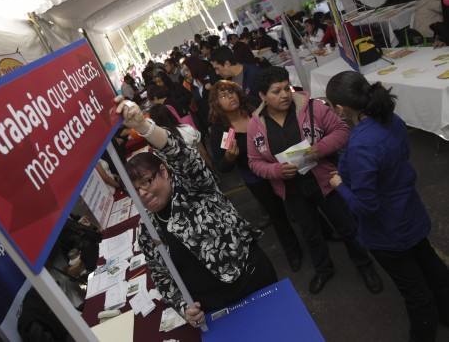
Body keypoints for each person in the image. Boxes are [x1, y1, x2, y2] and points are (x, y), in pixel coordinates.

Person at [115, 96, 278, 327]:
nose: (143, 193)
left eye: (147, 181)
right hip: (214, 309)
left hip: (252, 280)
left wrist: (143, 127)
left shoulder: (195, 187)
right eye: (134, 190)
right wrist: (183, 307)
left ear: (164, 172)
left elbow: (181, 155)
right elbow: (162, 277)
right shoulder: (146, 230)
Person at [326, 71, 449, 342]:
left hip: (387, 230)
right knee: (433, 268)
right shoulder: (391, 120)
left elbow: (365, 205)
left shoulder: (362, 145)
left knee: (416, 294)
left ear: (341, 108)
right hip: (409, 212)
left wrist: (339, 185)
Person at [247, 66, 383, 295]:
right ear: (262, 96)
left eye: (286, 88)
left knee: (347, 228)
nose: (284, 95)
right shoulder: (255, 125)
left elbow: (342, 130)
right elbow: (253, 162)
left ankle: (365, 267)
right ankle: (323, 269)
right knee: (311, 234)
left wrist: (320, 149)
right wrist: (277, 171)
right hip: (292, 191)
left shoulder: (312, 108)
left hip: (325, 182)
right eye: (276, 91)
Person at [208, 80, 303, 271]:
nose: (230, 97)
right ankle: (293, 252)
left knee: (300, 201)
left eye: (232, 92)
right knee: (277, 214)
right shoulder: (221, 131)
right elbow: (221, 167)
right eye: (223, 96)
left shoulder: (255, 110)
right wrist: (228, 158)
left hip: (279, 165)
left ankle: (322, 231)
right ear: (217, 104)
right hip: (256, 178)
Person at [149, 103, 217, 181]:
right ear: (170, 114)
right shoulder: (187, 129)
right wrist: (213, 173)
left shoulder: (158, 144)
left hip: (184, 182)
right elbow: (204, 154)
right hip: (202, 172)